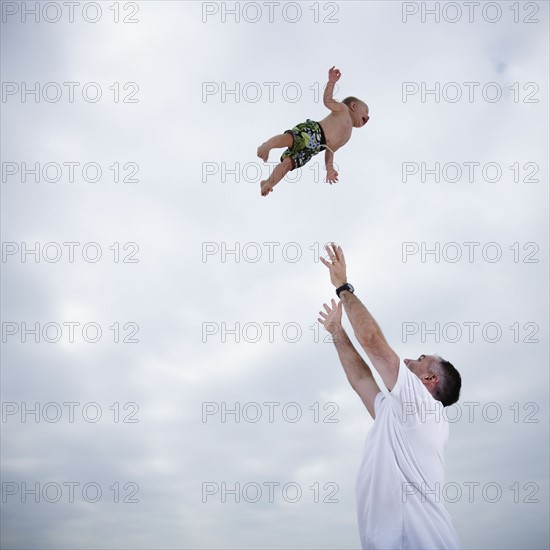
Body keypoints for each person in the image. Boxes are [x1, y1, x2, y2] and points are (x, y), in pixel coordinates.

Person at [318, 243, 462, 550]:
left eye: (422, 359)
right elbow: (360, 379)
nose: (410, 359)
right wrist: (337, 332)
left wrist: (343, 287)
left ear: (430, 379)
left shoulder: (424, 408)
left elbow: (371, 341)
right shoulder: (398, 414)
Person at [257, 66, 370, 196]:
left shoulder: (348, 136)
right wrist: (331, 82)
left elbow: (330, 150)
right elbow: (327, 101)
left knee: (288, 164)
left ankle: (268, 183)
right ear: (354, 106)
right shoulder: (343, 109)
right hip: (313, 131)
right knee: (290, 139)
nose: (367, 117)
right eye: (366, 112)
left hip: (314, 149)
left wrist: (329, 168)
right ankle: (268, 145)